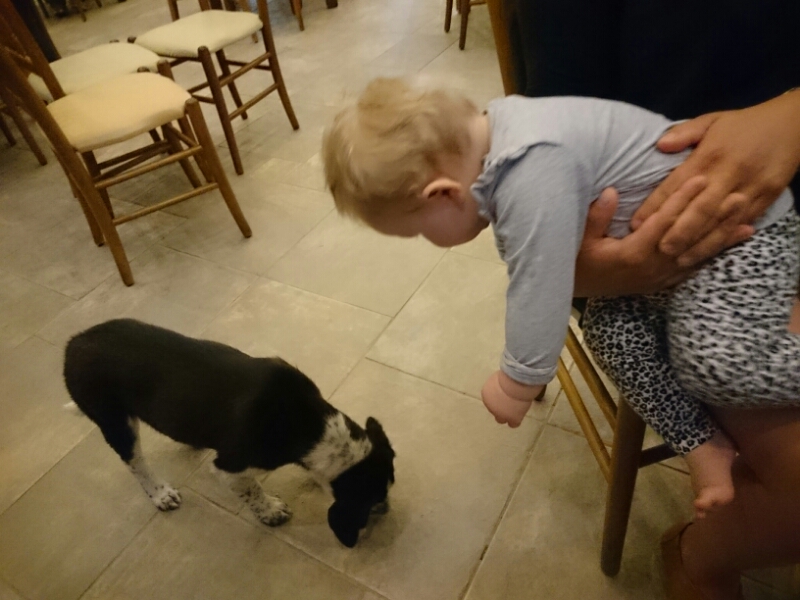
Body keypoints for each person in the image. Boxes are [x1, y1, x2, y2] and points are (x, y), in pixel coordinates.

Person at [322, 78, 800, 599]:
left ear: (442, 194)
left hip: (741, 237)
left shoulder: (530, 167)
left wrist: (518, 380)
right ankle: (703, 446)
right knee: (610, 332)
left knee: (714, 364)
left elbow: (541, 285)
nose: (425, 241)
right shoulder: (498, 137)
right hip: (670, 261)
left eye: (417, 230)